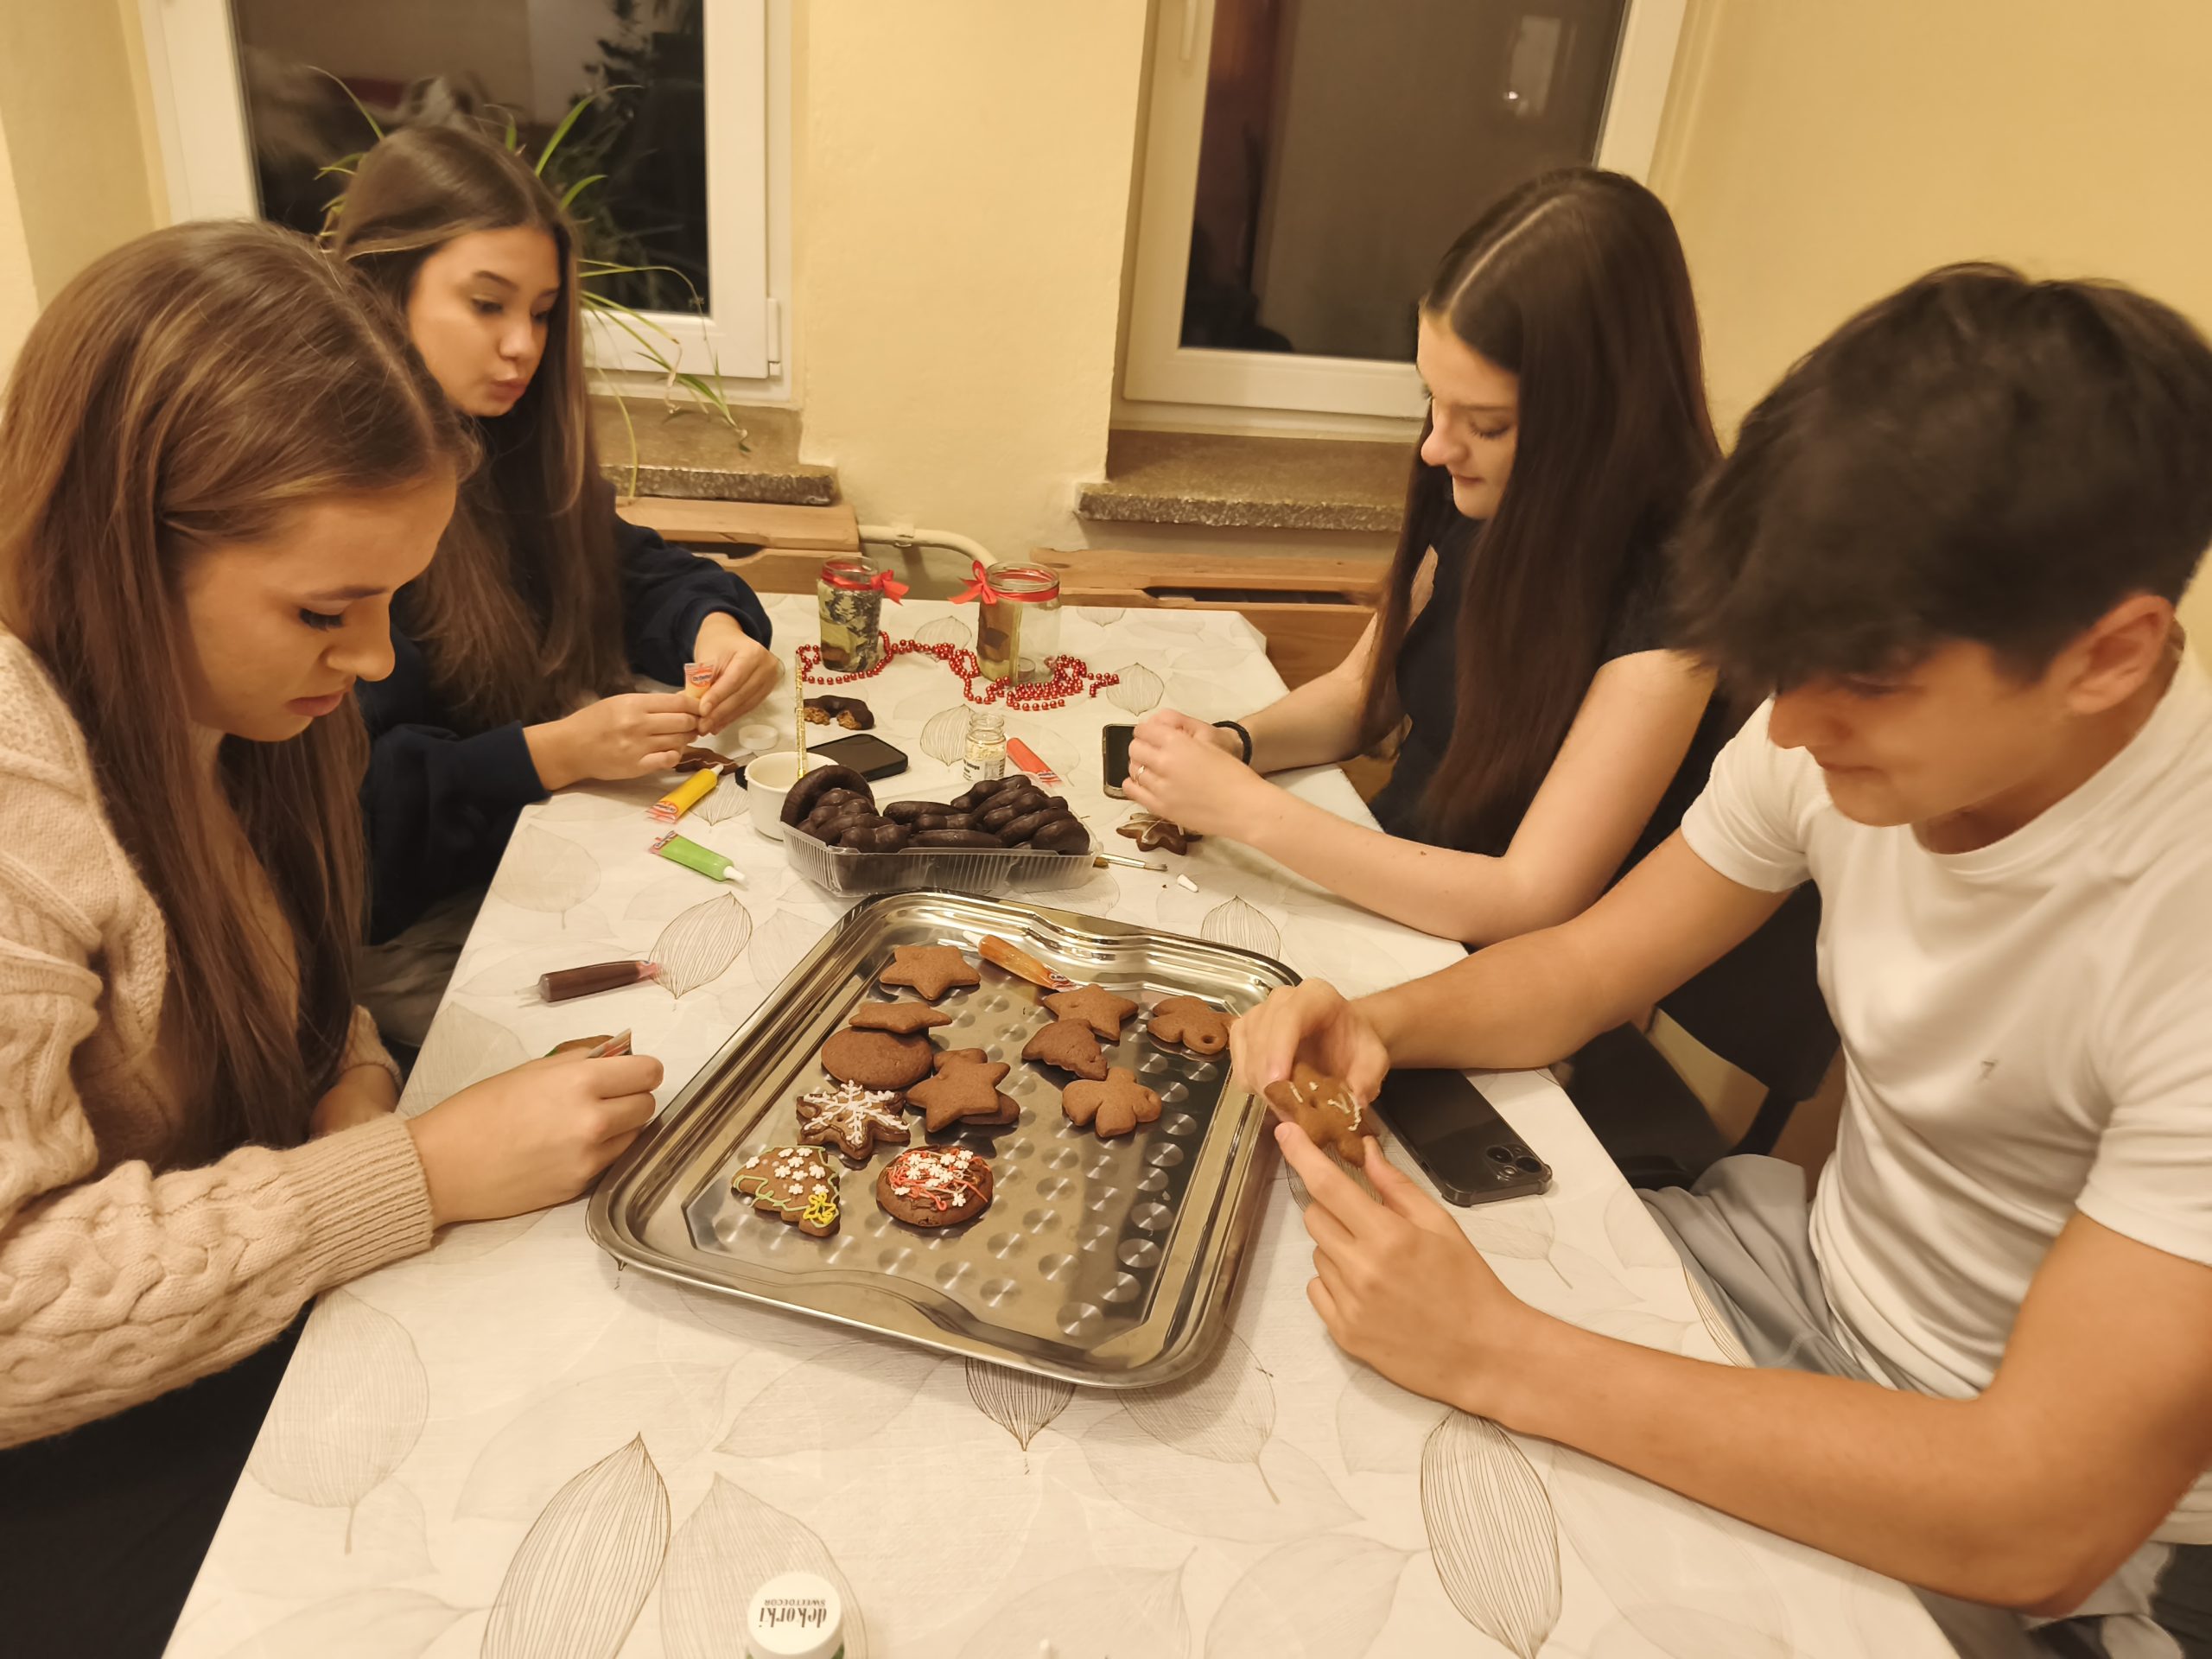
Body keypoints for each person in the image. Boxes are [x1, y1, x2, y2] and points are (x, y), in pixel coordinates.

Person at [1232, 265, 2212, 1653]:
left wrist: (1501, 1351)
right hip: (1803, 1279)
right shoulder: (1825, 724)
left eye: (1866, 683)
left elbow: (2034, 1520)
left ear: (2110, 657)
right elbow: (1587, 968)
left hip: (2049, 1511)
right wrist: (1381, 1019)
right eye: (1779, 668)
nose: (1794, 732)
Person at [0, 221, 666, 1656]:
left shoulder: (250, 716)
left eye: (389, 602)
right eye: (323, 609)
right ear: (122, 552)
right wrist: (409, 1170)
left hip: (232, 1319)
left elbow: (295, 968)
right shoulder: (17, 811)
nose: (369, 661)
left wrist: (352, 1073)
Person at [1126, 168, 1730, 945]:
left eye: (1487, 424)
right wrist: (1234, 745)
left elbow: (1529, 898)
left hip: (1490, 960)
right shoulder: (1476, 494)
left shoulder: (1679, 593)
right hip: (1387, 902)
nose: (1437, 448)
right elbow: (1361, 694)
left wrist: (1247, 810)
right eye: (1431, 399)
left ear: (1604, 419)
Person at [330, 125, 779, 1041]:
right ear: (381, 289)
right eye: (486, 305)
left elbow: (629, 567)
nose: (522, 347)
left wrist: (716, 629)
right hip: (407, 927)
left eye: (541, 314)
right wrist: (554, 753)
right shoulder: (338, 497)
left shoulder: (506, 450)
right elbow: (361, 820)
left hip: (522, 858)